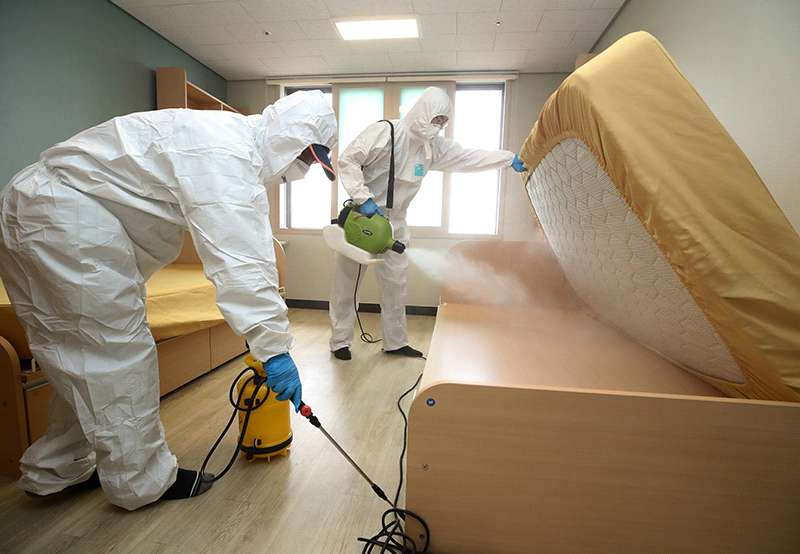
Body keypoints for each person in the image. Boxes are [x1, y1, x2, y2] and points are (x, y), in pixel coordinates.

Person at [0, 90, 337, 510]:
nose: (302, 169)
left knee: (79, 357)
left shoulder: (225, 141)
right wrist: (275, 350)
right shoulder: (228, 156)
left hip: (37, 206)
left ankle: (58, 467)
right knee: (116, 353)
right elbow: (244, 264)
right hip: (61, 215)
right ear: (289, 136)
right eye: (305, 158)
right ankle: (142, 481)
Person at [329, 87, 527, 361]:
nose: (439, 126)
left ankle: (395, 343)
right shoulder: (386, 132)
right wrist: (363, 198)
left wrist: (507, 159)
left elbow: (468, 157)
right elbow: (348, 159)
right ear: (422, 112)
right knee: (348, 282)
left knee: (396, 285)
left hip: (396, 222)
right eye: (436, 119)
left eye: (443, 121)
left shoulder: (432, 148)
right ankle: (340, 341)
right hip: (364, 217)